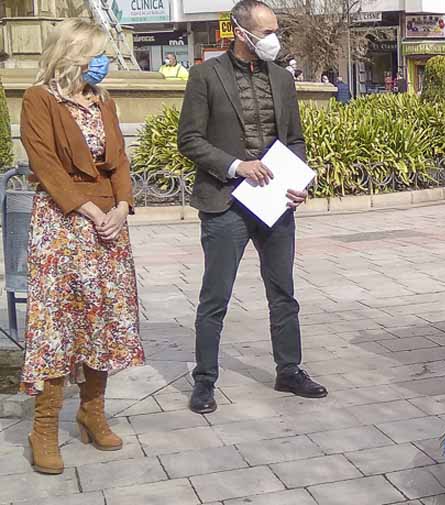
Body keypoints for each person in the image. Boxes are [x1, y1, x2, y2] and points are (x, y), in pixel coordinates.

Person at [178, 0, 327, 414]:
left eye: (275, 30)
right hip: (225, 202)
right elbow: (189, 139)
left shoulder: (282, 79)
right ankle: (205, 379)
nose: (273, 39)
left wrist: (299, 181)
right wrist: (236, 165)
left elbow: (294, 138)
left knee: (283, 293)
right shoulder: (205, 76)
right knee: (216, 297)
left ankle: (289, 370)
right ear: (239, 33)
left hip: (275, 202)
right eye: (266, 32)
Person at [19, 18, 144, 475]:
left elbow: (120, 160)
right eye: (96, 53)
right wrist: (90, 210)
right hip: (63, 225)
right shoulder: (40, 100)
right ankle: (44, 428)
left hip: (109, 227)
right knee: (56, 325)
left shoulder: (103, 101)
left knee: (104, 319)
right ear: (73, 54)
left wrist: (124, 206)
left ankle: (92, 412)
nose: (103, 62)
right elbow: (45, 164)